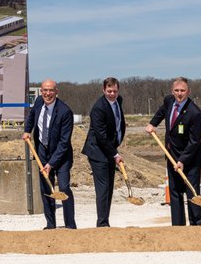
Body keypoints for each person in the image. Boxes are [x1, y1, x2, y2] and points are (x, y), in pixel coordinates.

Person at [146, 77, 201, 226]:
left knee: (192, 192)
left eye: (183, 91)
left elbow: (194, 142)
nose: (179, 94)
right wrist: (152, 124)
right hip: (172, 155)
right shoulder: (169, 101)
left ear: (188, 91)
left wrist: (182, 161)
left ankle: (195, 224)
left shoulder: (195, 113)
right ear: (172, 91)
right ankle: (178, 225)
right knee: (175, 192)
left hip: (190, 159)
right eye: (177, 90)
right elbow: (161, 112)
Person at [22, 79, 75, 229]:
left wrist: (51, 164)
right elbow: (31, 116)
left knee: (64, 188)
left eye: (51, 90)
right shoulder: (39, 102)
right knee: (46, 189)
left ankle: (70, 225)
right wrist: (27, 130)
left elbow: (64, 143)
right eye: (45, 90)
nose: (47, 93)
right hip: (42, 152)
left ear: (56, 92)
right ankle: (50, 225)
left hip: (61, 156)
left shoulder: (65, 112)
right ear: (41, 91)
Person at [82, 77, 126, 228]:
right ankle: (102, 223)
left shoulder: (118, 101)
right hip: (97, 151)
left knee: (109, 187)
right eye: (109, 91)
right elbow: (101, 136)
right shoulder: (99, 108)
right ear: (103, 90)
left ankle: (105, 220)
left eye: (114, 91)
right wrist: (115, 154)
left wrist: (115, 148)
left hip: (109, 149)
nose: (112, 94)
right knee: (103, 188)